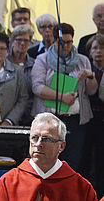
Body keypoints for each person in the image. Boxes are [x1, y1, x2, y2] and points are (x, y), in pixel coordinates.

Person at [31, 23, 97, 171]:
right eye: (61, 43)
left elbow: (91, 91)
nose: (66, 46)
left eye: (69, 42)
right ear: (54, 41)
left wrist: (90, 77)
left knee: (73, 162)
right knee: (49, 160)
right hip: (51, 119)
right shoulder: (43, 59)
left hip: (75, 120)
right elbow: (37, 86)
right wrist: (62, 97)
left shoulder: (82, 60)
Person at [0, 112, 98, 200]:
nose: (38, 144)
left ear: (61, 146)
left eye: (46, 139)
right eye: (35, 138)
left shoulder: (81, 188)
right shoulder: (8, 183)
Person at [81, 34, 104, 198]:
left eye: (102, 48)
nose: (99, 52)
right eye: (95, 48)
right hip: (88, 119)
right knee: (85, 156)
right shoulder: (84, 70)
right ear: (89, 52)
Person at [7, 24, 35, 125]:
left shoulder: (35, 65)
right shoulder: (4, 63)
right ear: (12, 41)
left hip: (28, 116)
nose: (22, 43)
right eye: (19, 40)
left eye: (26, 40)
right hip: (7, 115)